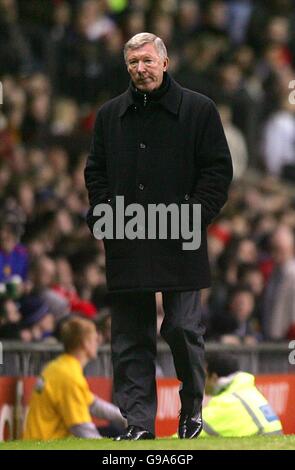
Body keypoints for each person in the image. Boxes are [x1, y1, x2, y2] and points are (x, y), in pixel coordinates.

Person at [84, 32, 233, 440]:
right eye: (132, 62)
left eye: (147, 60)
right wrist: (105, 211)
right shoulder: (110, 115)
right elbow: (95, 171)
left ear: (165, 62)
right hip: (128, 238)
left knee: (184, 330)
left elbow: (218, 172)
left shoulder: (199, 110)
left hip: (179, 237)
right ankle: (139, 425)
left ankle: (191, 409)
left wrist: (193, 216)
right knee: (130, 338)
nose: (140, 69)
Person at [23, 316, 126, 440]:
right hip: (47, 443)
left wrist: (126, 418)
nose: (98, 342)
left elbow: (92, 404)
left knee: (114, 430)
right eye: (94, 338)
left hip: (39, 439)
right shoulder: (69, 376)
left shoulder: (57, 366)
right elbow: (81, 427)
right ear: (85, 343)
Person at [201, 353, 282, 437]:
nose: (202, 381)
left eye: (204, 375)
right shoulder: (247, 391)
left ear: (214, 377)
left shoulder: (227, 402)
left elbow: (193, 431)